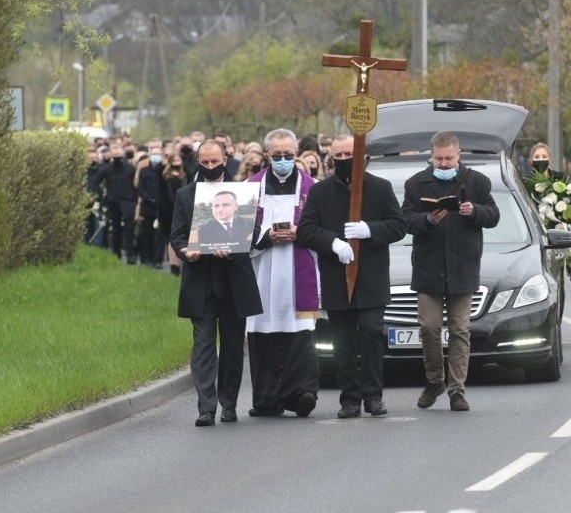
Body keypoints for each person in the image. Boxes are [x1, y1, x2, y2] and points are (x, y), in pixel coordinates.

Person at [297, 134, 406, 419]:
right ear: (331, 159)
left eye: (350, 154)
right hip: (336, 277)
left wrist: (370, 230)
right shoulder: (320, 192)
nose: (344, 160)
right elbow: (306, 230)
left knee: (371, 333)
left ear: (363, 157)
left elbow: (398, 226)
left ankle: (373, 396)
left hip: (371, 277)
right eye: (339, 156)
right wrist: (332, 242)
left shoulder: (381, 188)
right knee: (342, 341)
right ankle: (349, 399)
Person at [402, 131, 500, 412]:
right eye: (439, 159)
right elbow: (405, 219)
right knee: (429, 327)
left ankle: (457, 389)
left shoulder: (478, 182)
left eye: (449, 158)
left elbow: (493, 216)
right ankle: (435, 380)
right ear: (430, 156)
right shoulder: (415, 183)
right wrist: (428, 219)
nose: (444, 164)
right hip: (428, 268)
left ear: (459, 155)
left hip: (463, 267)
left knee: (460, 329)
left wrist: (475, 211)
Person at [170, 139, 263, 427]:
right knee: (203, 346)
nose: (210, 167)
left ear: (226, 159)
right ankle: (206, 407)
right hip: (201, 282)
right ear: (198, 162)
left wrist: (234, 248)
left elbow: (254, 230)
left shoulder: (242, 193)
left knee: (234, 346)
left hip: (234, 280)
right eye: (205, 162)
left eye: (215, 161)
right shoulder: (186, 195)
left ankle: (229, 404)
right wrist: (188, 252)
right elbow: (177, 235)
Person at [245, 128, 321, 418]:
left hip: (297, 270)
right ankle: (266, 399)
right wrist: (266, 237)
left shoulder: (312, 188)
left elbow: (321, 229)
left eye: (288, 155)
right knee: (263, 329)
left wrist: (298, 233)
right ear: (267, 155)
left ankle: (300, 394)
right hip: (262, 270)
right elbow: (239, 230)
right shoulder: (250, 188)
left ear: (297, 154)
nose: (283, 160)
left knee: (299, 331)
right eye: (277, 155)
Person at [91, 143, 137, 264]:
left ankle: (130, 255)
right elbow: (95, 182)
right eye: (114, 153)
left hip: (127, 201)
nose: (117, 155)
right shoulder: (107, 169)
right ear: (111, 154)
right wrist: (103, 194)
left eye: (119, 153)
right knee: (116, 229)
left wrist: (135, 199)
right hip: (113, 201)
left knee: (129, 228)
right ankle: (116, 254)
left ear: (123, 153)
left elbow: (135, 184)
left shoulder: (130, 168)